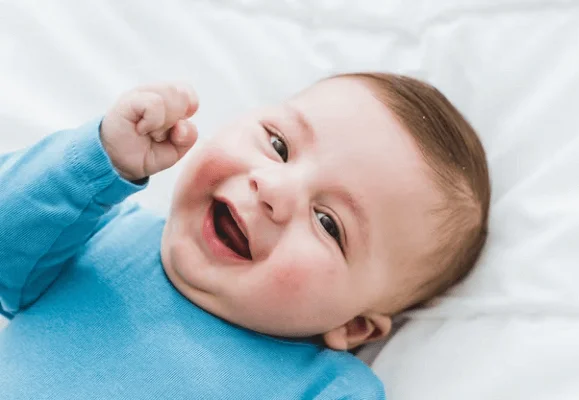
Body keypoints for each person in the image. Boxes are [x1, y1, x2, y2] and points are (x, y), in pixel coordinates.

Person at [0, 72, 490, 399]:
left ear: (355, 328)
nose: (273, 188)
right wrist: (100, 158)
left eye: (328, 223)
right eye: (278, 145)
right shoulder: (96, 236)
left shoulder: (326, 387)